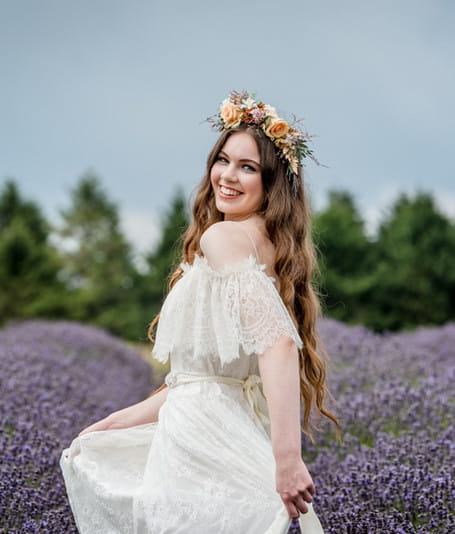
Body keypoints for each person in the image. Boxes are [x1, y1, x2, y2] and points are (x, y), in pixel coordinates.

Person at [60, 90, 339, 533]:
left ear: (272, 182)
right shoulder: (272, 250)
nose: (227, 176)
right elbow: (206, 380)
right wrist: (119, 421)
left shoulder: (224, 239)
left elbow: (279, 343)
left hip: (199, 448)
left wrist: (289, 459)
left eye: (248, 167)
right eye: (223, 160)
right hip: (231, 438)